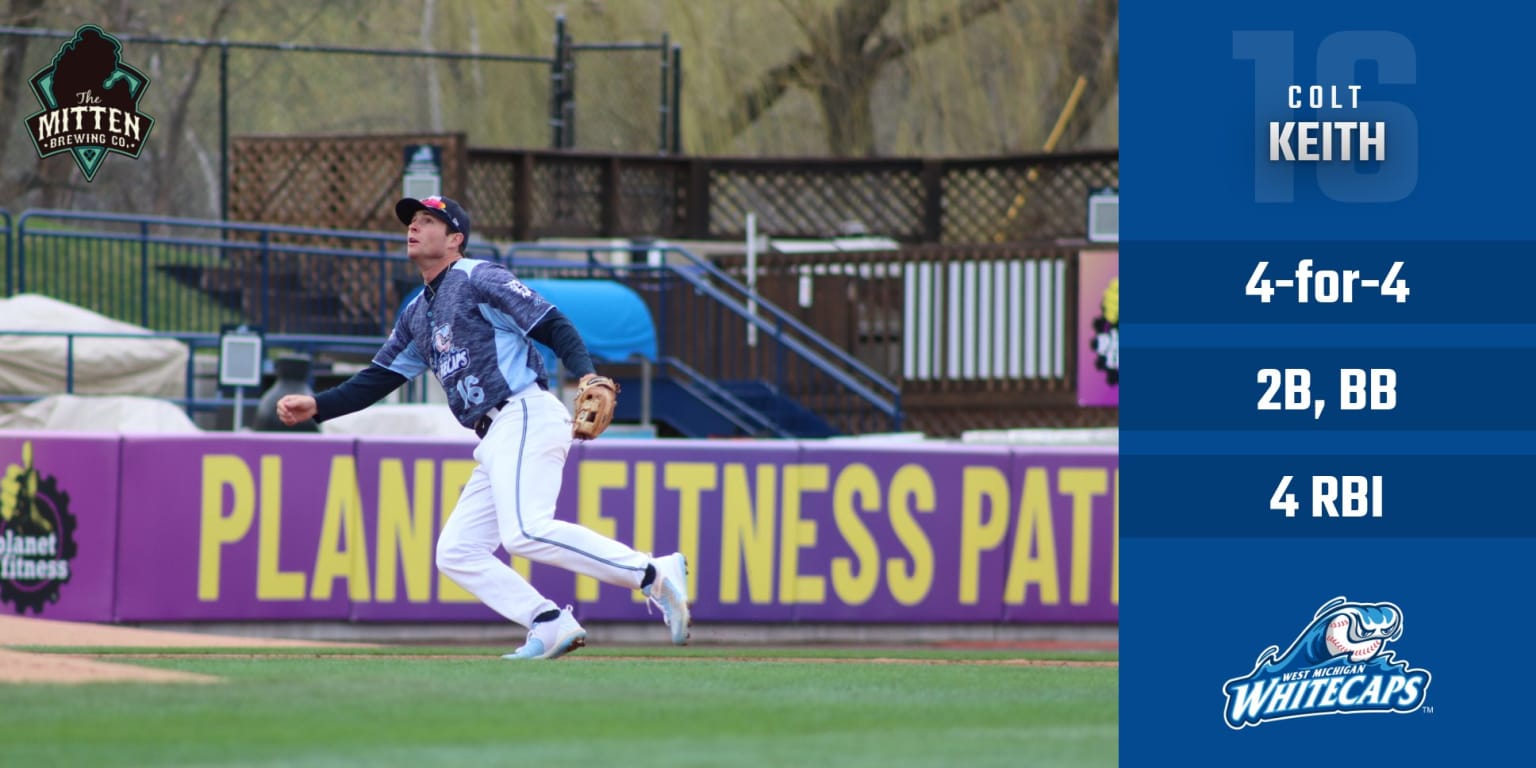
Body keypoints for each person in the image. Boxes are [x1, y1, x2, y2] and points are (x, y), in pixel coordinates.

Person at [276, 195, 690, 660]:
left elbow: (552, 323)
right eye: (412, 221)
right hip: (494, 435)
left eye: (428, 221)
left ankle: (653, 573)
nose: (414, 227)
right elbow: (379, 378)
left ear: (455, 239)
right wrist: (318, 406)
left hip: (524, 412)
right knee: (457, 551)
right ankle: (548, 622)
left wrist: (587, 373)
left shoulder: (478, 277)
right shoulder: (417, 311)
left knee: (525, 532)